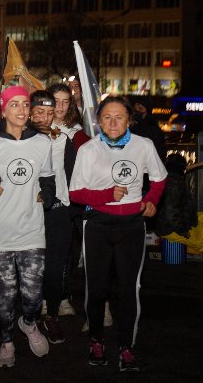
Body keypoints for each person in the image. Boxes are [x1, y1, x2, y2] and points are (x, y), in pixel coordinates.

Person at [69, 96, 167, 372]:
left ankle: (126, 346)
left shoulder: (143, 145)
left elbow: (159, 178)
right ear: (98, 122)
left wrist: (151, 201)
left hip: (132, 226)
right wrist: (106, 195)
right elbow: (75, 192)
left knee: (129, 289)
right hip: (98, 224)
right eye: (107, 118)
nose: (113, 123)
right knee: (97, 288)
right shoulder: (89, 150)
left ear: (129, 120)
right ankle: (96, 340)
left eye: (119, 117)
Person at [0, 85, 55, 368]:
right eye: (14, 104)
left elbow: (48, 178)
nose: (21, 110)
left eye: (25, 105)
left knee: (32, 294)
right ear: (4, 109)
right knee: (6, 294)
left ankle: (28, 323)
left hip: (32, 230)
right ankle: (6, 342)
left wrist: (48, 194)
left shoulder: (42, 142)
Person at [28, 90, 75, 344]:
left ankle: (52, 314)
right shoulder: (16, 137)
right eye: (40, 111)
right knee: (31, 268)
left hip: (57, 210)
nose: (46, 116)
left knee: (55, 267)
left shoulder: (62, 137)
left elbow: (71, 172)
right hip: (27, 211)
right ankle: (30, 317)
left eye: (50, 111)